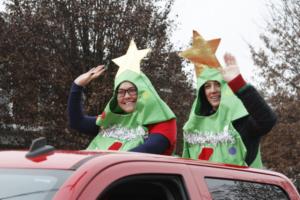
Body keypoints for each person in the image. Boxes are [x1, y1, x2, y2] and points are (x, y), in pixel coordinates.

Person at [180, 31, 277, 168]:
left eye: (217, 85)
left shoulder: (241, 123)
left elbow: (267, 120)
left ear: (225, 89)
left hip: (240, 188)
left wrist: (238, 84)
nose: (213, 90)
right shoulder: (194, 127)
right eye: (207, 86)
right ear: (202, 93)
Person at [68, 40, 176, 155]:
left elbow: (146, 151)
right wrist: (77, 86)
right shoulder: (113, 119)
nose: (127, 96)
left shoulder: (164, 122)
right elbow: (77, 122)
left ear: (143, 92)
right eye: (121, 92)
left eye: (132, 90)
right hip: (99, 170)